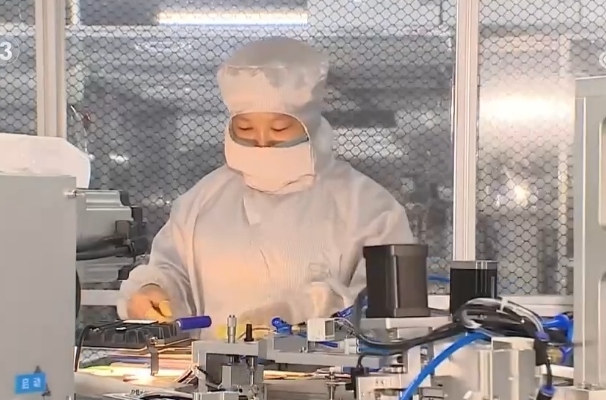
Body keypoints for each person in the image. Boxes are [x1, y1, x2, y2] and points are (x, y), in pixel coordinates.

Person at [117, 37, 415, 335]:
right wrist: (153, 290)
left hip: (330, 365)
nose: (262, 142)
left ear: (309, 124)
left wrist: (305, 311)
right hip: (211, 363)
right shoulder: (202, 201)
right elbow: (171, 270)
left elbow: (388, 309)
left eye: (279, 128)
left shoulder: (368, 207)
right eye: (245, 128)